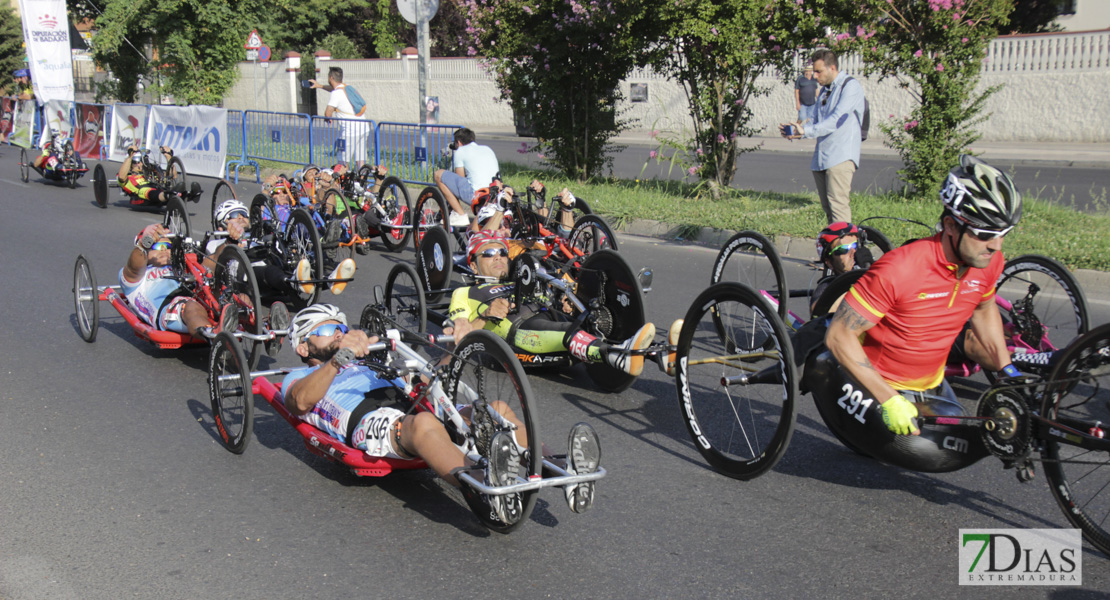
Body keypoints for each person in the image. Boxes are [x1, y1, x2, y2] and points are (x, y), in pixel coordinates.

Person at [282, 304, 603, 520]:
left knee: (496, 410)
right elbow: (299, 402)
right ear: (302, 346)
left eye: (340, 326)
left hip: (412, 403)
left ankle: (560, 470)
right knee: (422, 425)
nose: (338, 333)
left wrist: (458, 342)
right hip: (368, 422)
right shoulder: (298, 378)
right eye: (326, 330)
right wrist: (339, 358)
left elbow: (426, 379)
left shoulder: (369, 360)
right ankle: (486, 487)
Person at [824, 155, 1023, 437]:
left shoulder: (989, 261)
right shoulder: (900, 268)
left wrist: (1006, 370)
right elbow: (839, 335)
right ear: (951, 226)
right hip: (876, 385)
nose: (995, 245)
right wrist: (889, 399)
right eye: (984, 233)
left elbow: (984, 309)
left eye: (1003, 233)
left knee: (988, 438)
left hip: (932, 384)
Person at [447, 232, 657, 378]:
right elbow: (460, 335)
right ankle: (619, 356)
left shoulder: (519, 279)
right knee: (568, 332)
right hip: (520, 334)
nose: (499, 258)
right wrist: (486, 315)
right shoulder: (465, 292)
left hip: (549, 318)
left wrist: (565, 303)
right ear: (473, 264)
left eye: (502, 253)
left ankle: (660, 354)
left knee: (592, 315)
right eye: (489, 254)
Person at [780, 49, 866, 224]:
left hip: (841, 157)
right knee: (828, 210)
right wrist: (798, 131)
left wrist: (806, 131)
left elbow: (835, 120)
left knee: (838, 209)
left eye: (819, 71)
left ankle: (846, 250)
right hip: (822, 157)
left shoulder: (850, 87)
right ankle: (834, 250)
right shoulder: (826, 91)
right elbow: (816, 121)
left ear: (832, 68)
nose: (815, 76)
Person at [120, 223, 237, 339]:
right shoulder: (138, 275)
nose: (163, 250)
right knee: (190, 306)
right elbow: (133, 266)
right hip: (172, 307)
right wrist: (145, 243)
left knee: (241, 298)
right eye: (156, 246)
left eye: (168, 246)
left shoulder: (183, 265)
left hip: (201, 297)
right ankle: (215, 338)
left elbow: (214, 259)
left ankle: (251, 333)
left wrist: (231, 240)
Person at [434, 128, 500, 228]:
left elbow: (460, 178)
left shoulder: (460, 151)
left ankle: (459, 214)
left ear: (458, 142)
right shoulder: (487, 148)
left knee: (438, 175)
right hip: (494, 194)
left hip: (476, 195)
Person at [308, 67, 370, 167]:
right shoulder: (347, 87)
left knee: (343, 160)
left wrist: (328, 117)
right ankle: (362, 180)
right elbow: (333, 89)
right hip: (363, 127)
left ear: (331, 78)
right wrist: (319, 86)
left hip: (350, 131)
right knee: (360, 159)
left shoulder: (336, 94)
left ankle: (343, 180)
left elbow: (328, 112)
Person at [117, 143, 197, 205]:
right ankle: (169, 195)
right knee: (149, 192)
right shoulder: (128, 177)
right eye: (137, 162)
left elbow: (172, 176)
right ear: (131, 165)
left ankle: (190, 195)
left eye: (141, 161)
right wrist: (131, 156)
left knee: (166, 185)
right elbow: (121, 177)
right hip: (142, 192)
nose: (140, 164)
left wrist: (168, 157)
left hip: (158, 188)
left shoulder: (149, 173)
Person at [810, 221, 861, 315]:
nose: (853, 252)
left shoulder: (876, 271)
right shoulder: (828, 286)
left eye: (855, 245)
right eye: (843, 249)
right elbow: (816, 311)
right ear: (829, 262)